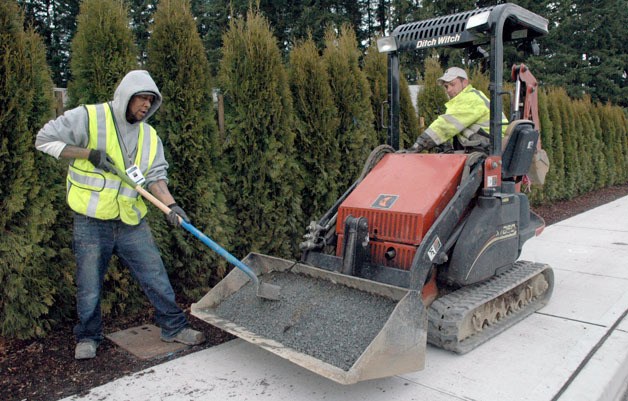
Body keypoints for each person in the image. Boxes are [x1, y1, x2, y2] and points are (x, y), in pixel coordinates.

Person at [36, 70, 205, 360]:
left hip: (131, 222)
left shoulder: (150, 137)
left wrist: (172, 206)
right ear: (127, 95)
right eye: (142, 98)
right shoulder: (90, 117)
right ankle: (88, 337)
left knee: (155, 275)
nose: (146, 106)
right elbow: (43, 140)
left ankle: (174, 327)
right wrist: (87, 154)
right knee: (88, 286)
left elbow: (155, 176)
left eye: (151, 101)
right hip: (91, 222)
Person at [408, 66, 507, 153]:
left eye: (452, 84)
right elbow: (451, 130)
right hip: (488, 144)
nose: (449, 89)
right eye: (446, 86)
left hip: (492, 146)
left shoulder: (470, 99)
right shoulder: (464, 100)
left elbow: (445, 126)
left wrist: (419, 144)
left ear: (465, 83)